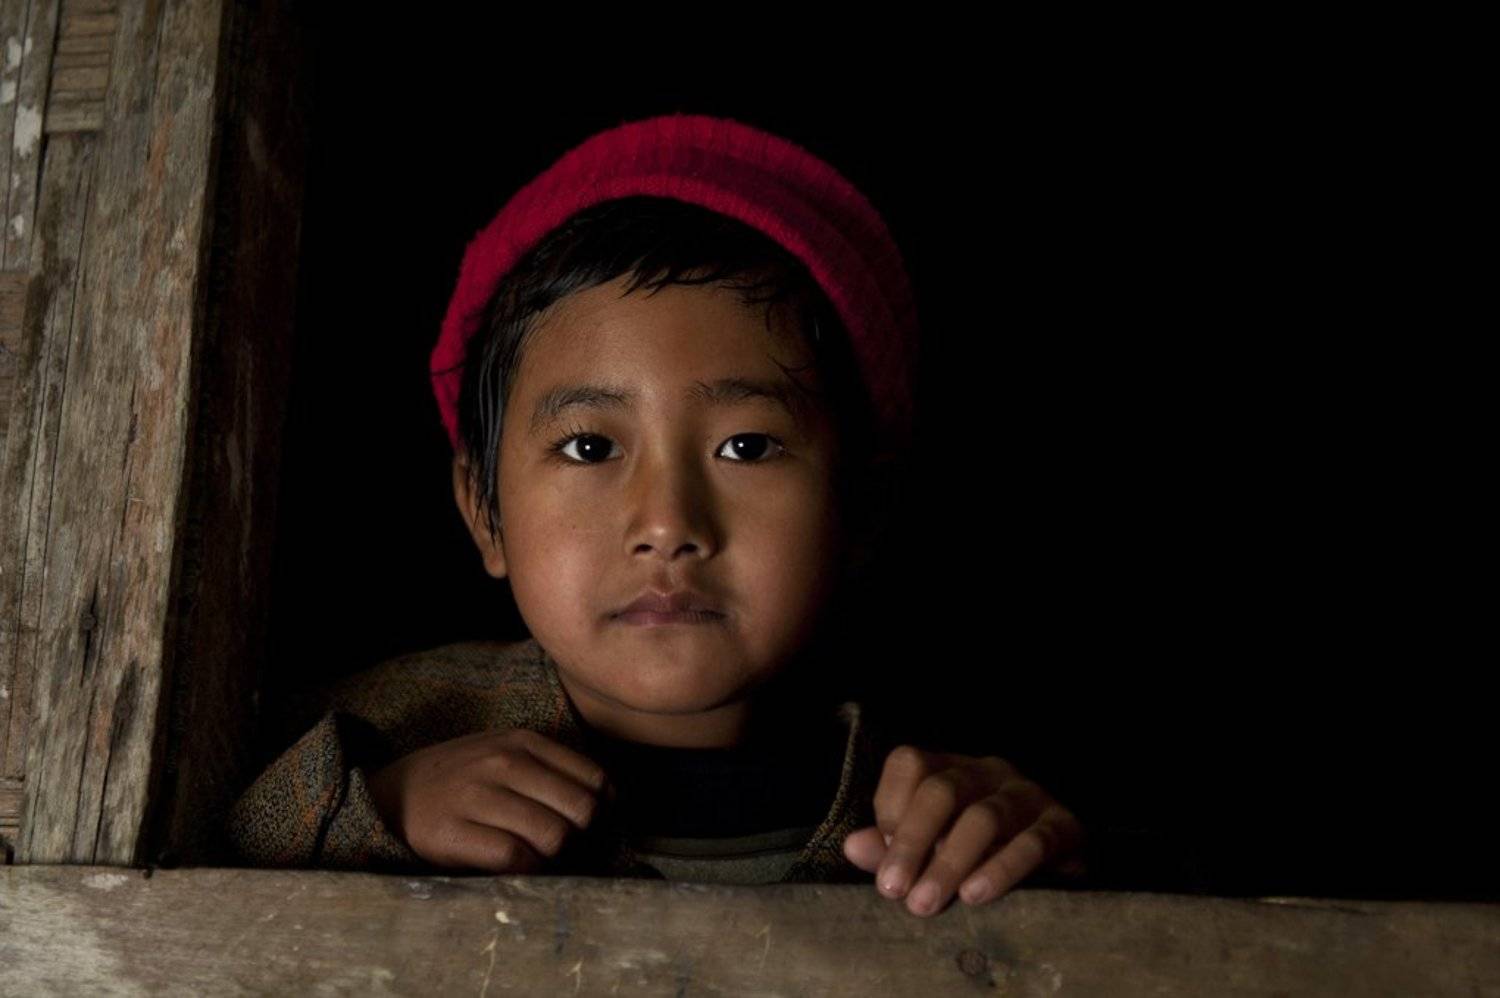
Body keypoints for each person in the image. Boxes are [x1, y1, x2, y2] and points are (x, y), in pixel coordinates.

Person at [225, 113, 1089, 917]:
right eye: (590, 449)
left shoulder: (911, 800)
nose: (668, 523)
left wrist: (1017, 858)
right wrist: (377, 814)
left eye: (747, 448)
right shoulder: (377, 736)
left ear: (859, 508)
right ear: (483, 513)